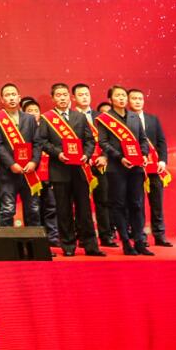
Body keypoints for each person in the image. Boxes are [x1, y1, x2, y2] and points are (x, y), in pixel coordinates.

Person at [39, 83, 102, 257]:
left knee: (84, 209)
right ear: (53, 98)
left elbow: (90, 141)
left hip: (79, 169)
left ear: (70, 97)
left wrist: (86, 155)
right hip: (59, 170)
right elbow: (42, 142)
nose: (62, 98)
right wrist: (58, 153)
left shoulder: (79, 117)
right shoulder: (47, 118)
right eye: (58, 95)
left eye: (65, 94)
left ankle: (91, 246)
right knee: (63, 209)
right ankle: (68, 245)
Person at [97, 86, 153, 256]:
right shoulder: (105, 119)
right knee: (119, 204)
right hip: (116, 168)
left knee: (136, 204)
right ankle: (126, 242)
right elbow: (103, 143)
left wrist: (144, 154)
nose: (121, 98)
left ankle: (139, 241)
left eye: (123, 95)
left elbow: (143, 139)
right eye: (117, 95)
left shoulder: (134, 117)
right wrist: (120, 157)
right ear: (110, 99)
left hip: (136, 167)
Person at [0, 83, 42, 229]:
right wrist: (12, 164)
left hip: (29, 170)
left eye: (14, 94)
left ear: (19, 97)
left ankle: (33, 241)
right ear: (2, 100)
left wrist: (34, 162)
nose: (11, 98)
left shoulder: (29, 118)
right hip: (8, 172)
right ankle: (7, 242)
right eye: (7, 95)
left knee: (33, 209)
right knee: (7, 209)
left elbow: (37, 142)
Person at [73, 83, 117, 247]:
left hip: (100, 164)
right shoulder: (70, 117)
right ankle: (83, 237)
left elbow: (108, 140)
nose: (84, 97)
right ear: (74, 98)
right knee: (81, 202)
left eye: (86, 94)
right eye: (80, 94)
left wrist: (105, 156)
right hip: (80, 164)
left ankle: (106, 236)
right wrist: (84, 157)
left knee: (103, 200)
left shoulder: (101, 117)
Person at [128, 88, 173, 247]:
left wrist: (162, 161)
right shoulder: (125, 121)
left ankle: (160, 235)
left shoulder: (153, 120)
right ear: (128, 101)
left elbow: (161, 142)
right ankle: (140, 237)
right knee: (137, 204)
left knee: (157, 204)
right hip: (135, 169)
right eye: (134, 98)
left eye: (140, 98)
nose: (137, 101)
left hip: (154, 168)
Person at [21, 98, 58, 246]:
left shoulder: (47, 127)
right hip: (31, 174)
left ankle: (52, 237)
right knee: (32, 209)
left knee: (51, 207)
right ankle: (35, 238)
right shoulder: (22, 130)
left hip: (49, 173)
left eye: (36, 110)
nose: (33, 113)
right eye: (29, 111)